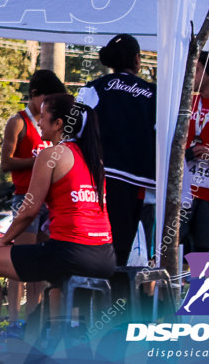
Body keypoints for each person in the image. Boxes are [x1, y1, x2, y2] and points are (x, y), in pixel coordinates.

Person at [0, 93, 115, 338]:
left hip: (71, 253)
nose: (39, 121)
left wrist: (2, 241)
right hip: (104, 255)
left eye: (44, 116)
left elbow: (28, 209)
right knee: (56, 279)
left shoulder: (51, 156)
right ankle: (60, 342)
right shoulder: (95, 159)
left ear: (58, 123)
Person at [0, 69, 65, 334]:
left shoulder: (53, 123)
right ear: (35, 95)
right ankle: (14, 319)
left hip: (48, 201)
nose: (49, 105)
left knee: (40, 263)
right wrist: (39, 162)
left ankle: (33, 319)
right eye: (47, 98)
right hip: (24, 197)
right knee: (21, 260)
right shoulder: (19, 122)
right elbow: (6, 162)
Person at [84, 33, 156, 266]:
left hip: (99, 178)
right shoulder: (154, 93)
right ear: (137, 59)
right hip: (138, 182)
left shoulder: (95, 87)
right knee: (129, 247)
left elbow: (74, 128)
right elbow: (164, 134)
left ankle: (94, 295)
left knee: (99, 240)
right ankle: (122, 295)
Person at [181, 51, 209, 254]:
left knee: (205, 248)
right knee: (176, 244)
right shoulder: (185, 104)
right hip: (184, 189)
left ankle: (204, 287)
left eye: (197, 70)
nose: (191, 75)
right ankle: (174, 286)